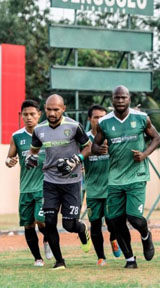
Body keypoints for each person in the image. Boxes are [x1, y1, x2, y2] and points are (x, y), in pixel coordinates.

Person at [93, 86, 160, 269]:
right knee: (115, 221)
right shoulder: (105, 122)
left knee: (134, 218)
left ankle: (146, 235)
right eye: (117, 98)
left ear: (129, 99)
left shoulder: (141, 118)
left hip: (137, 176)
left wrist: (145, 154)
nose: (120, 101)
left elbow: (156, 138)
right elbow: (94, 145)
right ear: (112, 100)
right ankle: (130, 259)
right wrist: (99, 149)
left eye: (124, 97)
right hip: (115, 178)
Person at [30, 94, 93, 270]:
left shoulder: (74, 126)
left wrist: (77, 159)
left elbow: (88, 147)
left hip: (72, 182)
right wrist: (31, 159)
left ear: (63, 109)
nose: (52, 113)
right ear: (45, 108)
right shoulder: (39, 130)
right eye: (49, 109)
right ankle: (60, 261)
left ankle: (81, 230)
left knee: (69, 224)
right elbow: (33, 151)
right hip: (50, 181)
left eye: (56, 109)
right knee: (49, 221)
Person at [4, 100, 52, 266]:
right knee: (28, 225)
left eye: (33, 114)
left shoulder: (48, 134)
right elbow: (10, 157)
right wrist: (9, 161)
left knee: (41, 219)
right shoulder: (17, 136)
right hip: (25, 188)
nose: (29, 117)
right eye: (26, 114)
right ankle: (37, 259)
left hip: (44, 186)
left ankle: (47, 240)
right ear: (21, 116)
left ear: (39, 115)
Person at [84, 104, 121, 265]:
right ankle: (101, 257)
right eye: (96, 117)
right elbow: (78, 156)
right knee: (95, 224)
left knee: (113, 222)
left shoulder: (113, 137)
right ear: (89, 119)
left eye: (102, 117)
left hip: (111, 188)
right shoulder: (84, 140)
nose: (99, 121)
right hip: (93, 189)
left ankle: (114, 238)